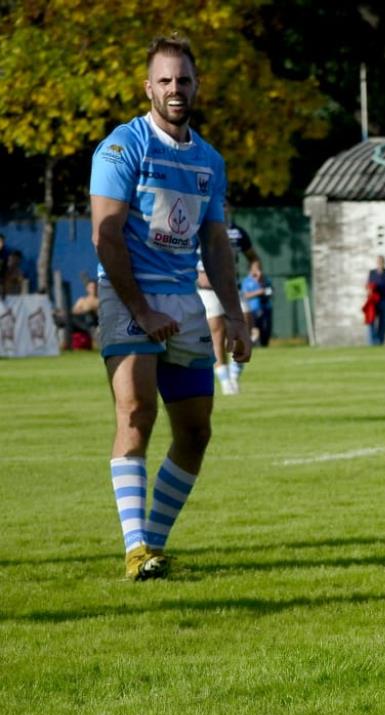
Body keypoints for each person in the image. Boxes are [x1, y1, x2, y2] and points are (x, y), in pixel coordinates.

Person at [89, 35, 250, 581]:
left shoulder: (209, 160)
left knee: (196, 432)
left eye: (183, 80)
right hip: (126, 292)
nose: (175, 89)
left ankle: (153, 544)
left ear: (196, 86)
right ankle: (135, 549)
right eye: (165, 80)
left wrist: (234, 313)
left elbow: (215, 243)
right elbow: (105, 238)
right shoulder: (121, 147)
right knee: (135, 413)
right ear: (148, 87)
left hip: (184, 302)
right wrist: (140, 308)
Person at [197, 208, 261, 393]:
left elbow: (253, 256)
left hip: (232, 288)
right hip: (208, 290)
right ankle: (225, 380)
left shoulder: (237, 232)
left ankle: (235, 371)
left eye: (224, 204)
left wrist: (256, 269)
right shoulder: (197, 229)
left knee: (246, 322)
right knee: (217, 330)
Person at [366, 254, 385, 345]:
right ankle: (373, 341)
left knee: (383, 322)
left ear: (384, 262)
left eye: (381, 261)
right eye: (378, 261)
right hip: (374, 301)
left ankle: (381, 341)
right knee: (371, 321)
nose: (380, 263)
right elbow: (368, 285)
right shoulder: (372, 273)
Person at [241, 258, 272, 346]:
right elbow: (244, 295)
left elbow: (270, 292)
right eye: (256, 267)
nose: (258, 269)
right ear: (251, 268)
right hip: (252, 309)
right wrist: (258, 292)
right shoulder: (246, 281)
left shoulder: (265, 279)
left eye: (259, 267)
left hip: (266, 308)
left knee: (265, 330)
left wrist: (261, 282)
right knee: (253, 329)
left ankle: (265, 346)